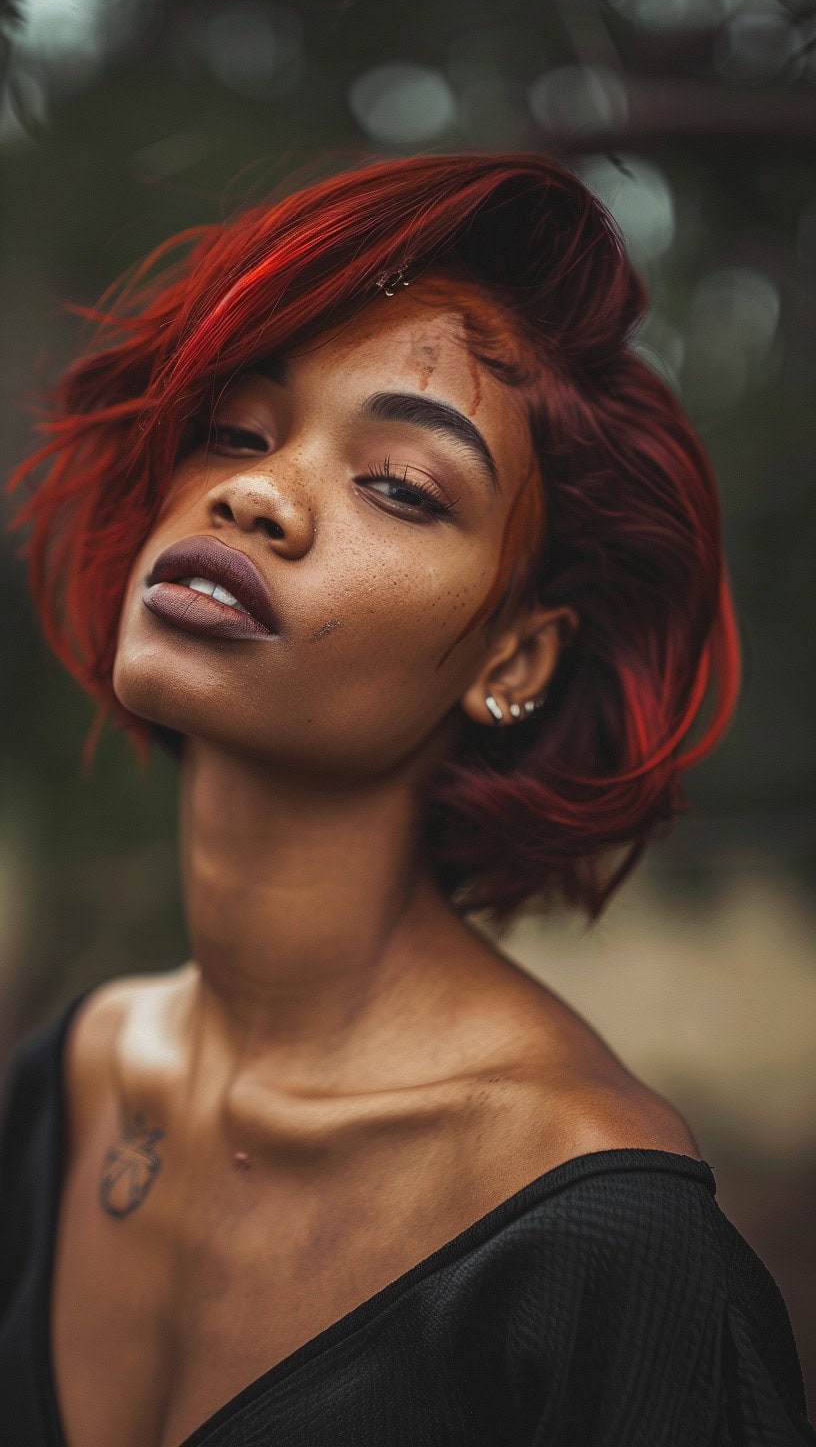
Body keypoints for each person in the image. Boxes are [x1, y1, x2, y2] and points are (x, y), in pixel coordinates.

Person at [1, 151, 813, 1447]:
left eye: (399, 486)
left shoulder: (606, 1242)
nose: (255, 493)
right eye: (238, 430)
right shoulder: (71, 1081)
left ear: (514, 658)